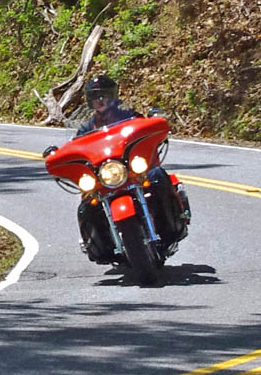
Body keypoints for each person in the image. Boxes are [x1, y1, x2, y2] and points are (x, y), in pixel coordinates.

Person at [50, 74, 190, 263]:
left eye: (104, 95)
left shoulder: (129, 116)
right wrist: (57, 155)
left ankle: (172, 224)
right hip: (105, 179)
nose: (101, 101)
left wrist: (154, 123)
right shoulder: (86, 128)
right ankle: (99, 247)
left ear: (113, 96)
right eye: (96, 97)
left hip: (133, 174)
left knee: (157, 176)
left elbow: (146, 128)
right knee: (86, 204)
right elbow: (75, 148)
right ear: (90, 100)